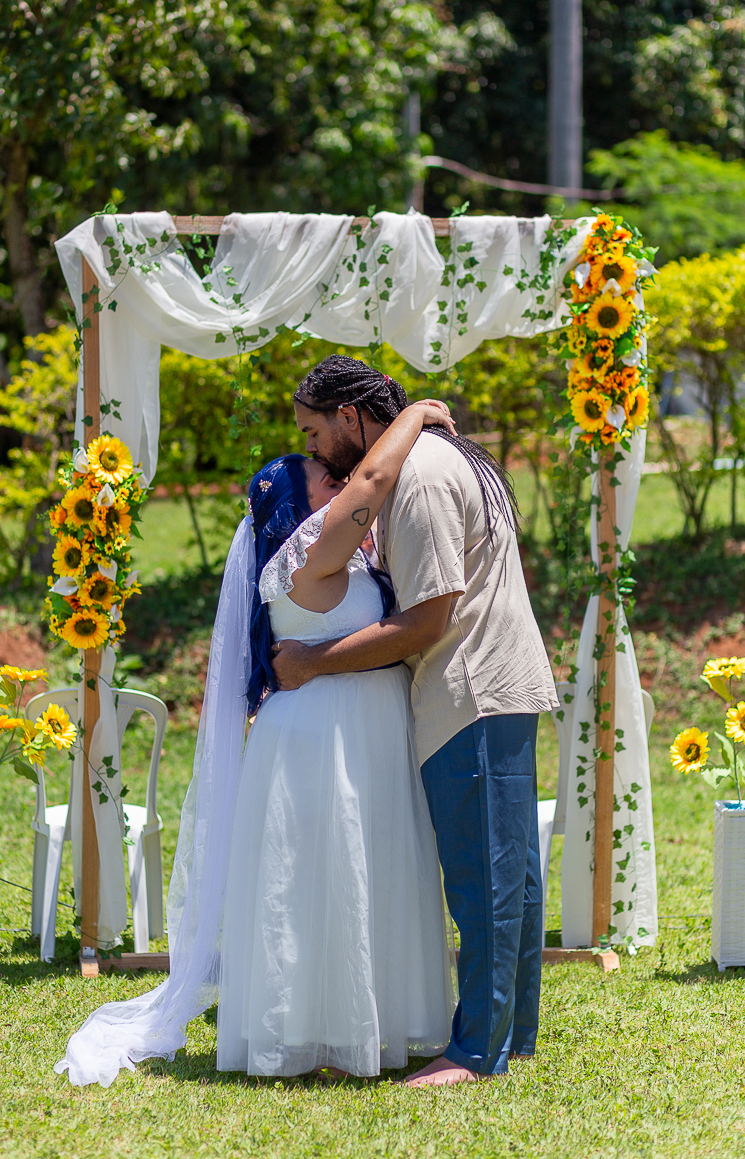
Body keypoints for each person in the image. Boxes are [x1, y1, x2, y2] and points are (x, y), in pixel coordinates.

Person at [54, 395, 456, 1087]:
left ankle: (379, 1020)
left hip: (370, 733)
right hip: (314, 739)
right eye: (318, 474)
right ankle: (310, 1033)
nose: (333, 473)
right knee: (315, 883)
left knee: (368, 875)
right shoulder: (302, 564)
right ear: (293, 508)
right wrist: (414, 414)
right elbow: (371, 484)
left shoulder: (355, 552)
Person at [272, 356, 559, 1088]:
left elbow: (430, 619)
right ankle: (510, 1034)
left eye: (313, 432)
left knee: (484, 878)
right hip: (493, 685)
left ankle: (474, 1053)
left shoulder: (423, 475)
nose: (311, 449)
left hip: (470, 688)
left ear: (349, 416)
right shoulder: (430, 457)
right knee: (512, 874)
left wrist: (313, 661)